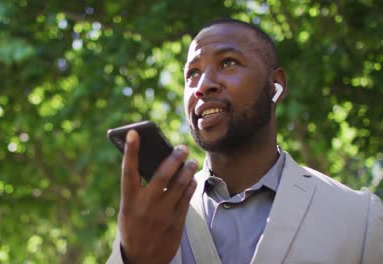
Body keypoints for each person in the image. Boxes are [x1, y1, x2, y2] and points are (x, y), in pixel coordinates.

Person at [107, 18, 382, 264]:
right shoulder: (153, 219)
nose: (202, 85)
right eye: (192, 73)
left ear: (276, 85)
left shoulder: (361, 218)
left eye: (228, 62)